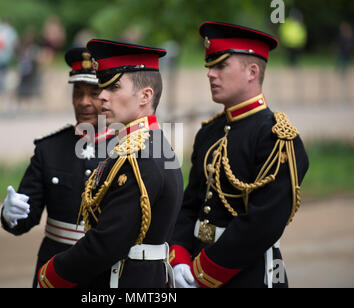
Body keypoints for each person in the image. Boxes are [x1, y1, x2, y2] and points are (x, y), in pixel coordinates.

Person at [169, 21, 309, 288]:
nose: (211, 74)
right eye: (210, 66)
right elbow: (190, 206)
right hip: (192, 268)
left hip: (246, 275)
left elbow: (262, 224)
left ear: (252, 72)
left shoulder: (275, 138)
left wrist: (202, 272)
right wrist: (179, 259)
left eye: (221, 66)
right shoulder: (210, 133)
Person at [37, 39, 183, 288]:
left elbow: (107, 243)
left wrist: (51, 274)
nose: (101, 96)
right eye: (102, 86)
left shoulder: (139, 156)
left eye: (113, 87)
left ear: (145, 96)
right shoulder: (148, 144)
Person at [0, 47, 113, 288]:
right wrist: (11, 215)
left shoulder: (127, 148)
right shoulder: (49, 149)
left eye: (93, 93)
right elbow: (25, 219)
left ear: (107, 96)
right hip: (54, 272)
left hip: (106, 275)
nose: (83, 102)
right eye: (77, 93)